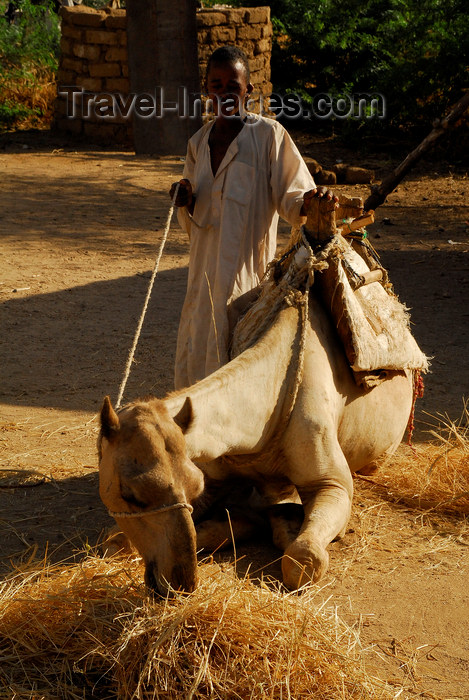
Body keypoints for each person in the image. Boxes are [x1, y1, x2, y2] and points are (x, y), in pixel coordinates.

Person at [170, 46, 336, 390]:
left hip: (248, 286)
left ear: (248, 91)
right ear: (206, 89)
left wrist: (313, 202)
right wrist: (184, 198)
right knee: (197, 376)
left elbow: (294, 197)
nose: (224, 94)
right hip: (202, 285)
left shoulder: (269, 137)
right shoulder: (197, 144)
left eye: (233, 86)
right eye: (216, 85)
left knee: (242, 373)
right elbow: (191, 222)